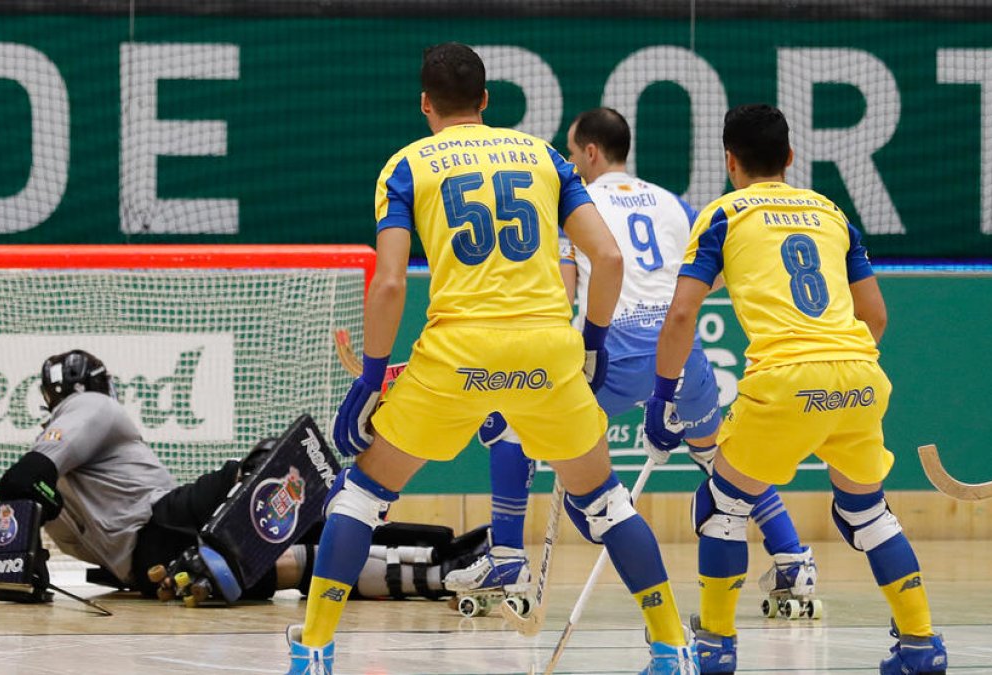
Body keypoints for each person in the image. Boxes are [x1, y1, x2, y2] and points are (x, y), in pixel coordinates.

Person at [286, 43, 696, 675]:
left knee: (361, 495)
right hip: (545, 350)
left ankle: (314, 651)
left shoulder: (404, 167)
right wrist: (588, 343)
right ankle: (673, 649)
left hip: (457, 354)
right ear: (485, 102)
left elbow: (390, 283)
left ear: (425, 104)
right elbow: (608, 260)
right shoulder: (545, 157)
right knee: (607, 502)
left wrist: (371, 378)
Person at [446, 107, 821, 620]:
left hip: (612, 355)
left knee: (516, 428)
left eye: (575, 154)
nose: (573, 163)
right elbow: (718, 270)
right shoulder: (672, 203)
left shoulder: (572, 201)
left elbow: (562, 292)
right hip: (679, 351)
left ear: (592, 153)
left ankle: (509, 559)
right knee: (722, 459)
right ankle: (792, 559)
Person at [645, 104, 947, 674]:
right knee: (868, 513)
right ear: (789, 158)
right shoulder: (833, 213)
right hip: (859, 375)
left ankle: (714, 647)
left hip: (786, 382)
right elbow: (874, 316)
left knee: (722, 505)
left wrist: (663, 396)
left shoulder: (723, 214)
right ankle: (921, 645)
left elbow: (682, 314)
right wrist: (839, 378)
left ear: (729, 161)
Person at [0, 349, 481, 605]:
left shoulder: (63, 450)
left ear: (47, 396)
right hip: (163, 523)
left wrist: (24, 565)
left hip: (148, 570)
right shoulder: (94, 403)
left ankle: (442, 566)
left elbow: (24, 487)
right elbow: (23, 479)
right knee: (284, 487)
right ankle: (455, 557)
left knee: (303, 563)